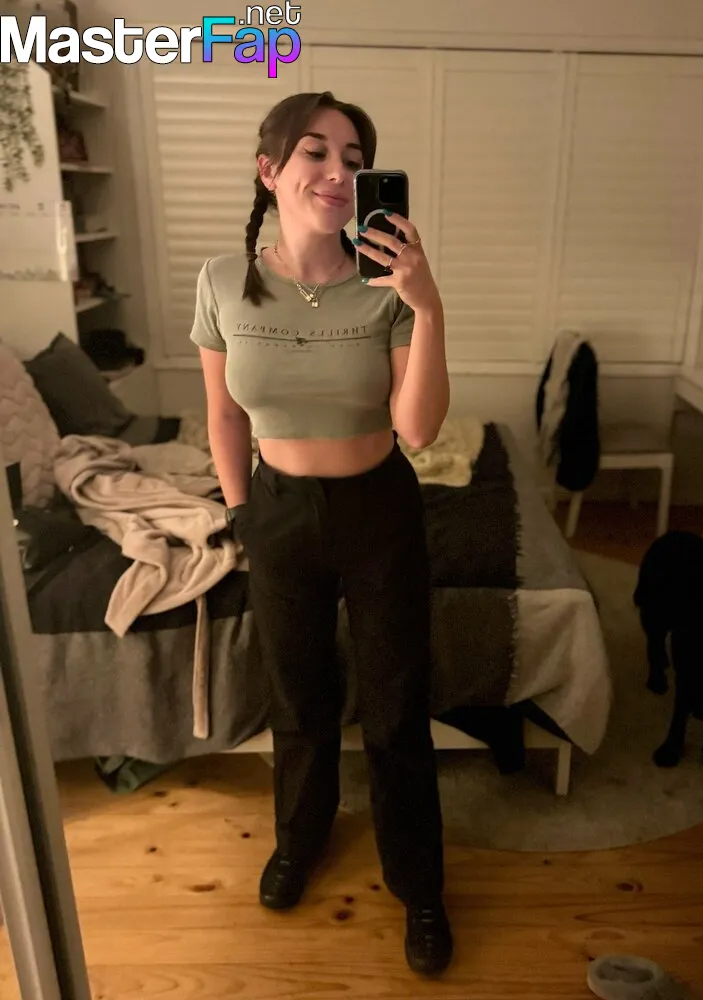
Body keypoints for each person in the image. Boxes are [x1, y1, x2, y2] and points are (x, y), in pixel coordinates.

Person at [189, 91, 453, 977]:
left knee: (396, 708)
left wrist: (427, 305)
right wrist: (241, 513)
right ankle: (299, 841)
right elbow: (224, 414)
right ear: (270, 171)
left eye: (354, 158)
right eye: (316, 152)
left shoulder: (389, 286)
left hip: (379, 509)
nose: (338, 172)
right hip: (277, 509)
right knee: (297, 699)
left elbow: (419, 429)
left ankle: (419, 885)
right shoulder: (222, 281)